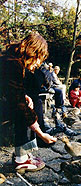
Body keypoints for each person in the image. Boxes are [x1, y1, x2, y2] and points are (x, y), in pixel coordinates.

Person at [0, 33, 57, 173]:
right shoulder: (14, 65)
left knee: (27, 105)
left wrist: (24, 96)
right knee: (23, 111)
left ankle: (23, 152)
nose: (38, 64)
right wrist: (40, 133)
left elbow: (8, 89)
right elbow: (17, 104)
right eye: (39, 58)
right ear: (33, 52)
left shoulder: (9, 59)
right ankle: (21, 158)